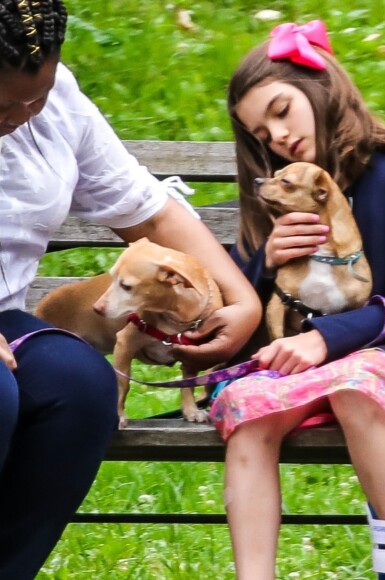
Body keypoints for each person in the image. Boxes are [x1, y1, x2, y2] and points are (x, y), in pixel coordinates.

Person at [0, 1, 261, 578]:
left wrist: (240, 300)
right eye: (3, 103)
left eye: (34, 98)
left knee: (80, 387)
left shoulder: (56, 102)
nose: (21, 115)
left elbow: (147, 210)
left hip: (5, 315)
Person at [208, 20, 385, 580]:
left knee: (358, 388)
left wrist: (326, 338)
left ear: (320, 85)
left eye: (281, 110)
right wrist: (266, 263)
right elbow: (240, 308)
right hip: (301, 367)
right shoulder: (281, 197)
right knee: (248, 406)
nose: (276, 137)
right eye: (261, 132)